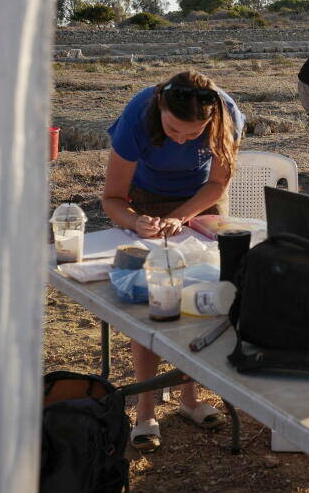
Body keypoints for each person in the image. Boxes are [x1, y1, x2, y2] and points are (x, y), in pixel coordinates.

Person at [102, 70, 244, 452]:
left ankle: (189, 398)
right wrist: (135, 220)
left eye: (193, 134)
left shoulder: (226, 113)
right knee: (154, 300)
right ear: (161, 108)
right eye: (174, 131)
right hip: (146, 199)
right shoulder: (138, 116)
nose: (181, 139)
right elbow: (113, 197)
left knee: (199, 297)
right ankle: (145, 408)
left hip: (202, 202)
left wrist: (181, 216)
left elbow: (217, 183)